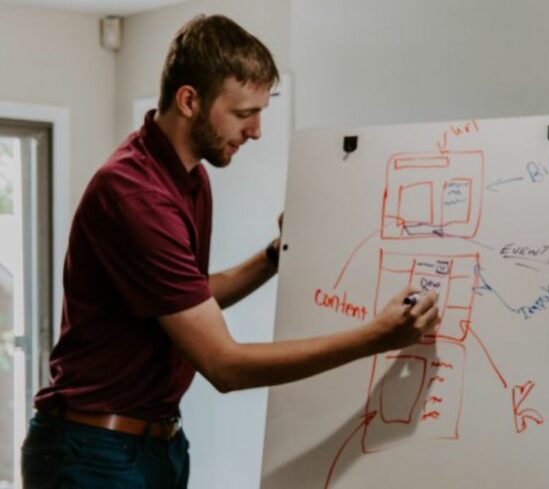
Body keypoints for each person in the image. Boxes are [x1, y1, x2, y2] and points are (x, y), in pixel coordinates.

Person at [21, 15, 440, 489]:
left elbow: (189, 297)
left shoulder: (190, 178)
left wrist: (274, 256)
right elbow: (224, 365)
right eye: (244, 114)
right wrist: (375, 337)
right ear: (189, 100)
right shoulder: (135, 195)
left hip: (155, 445)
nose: (257, 130)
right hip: (93, 454)